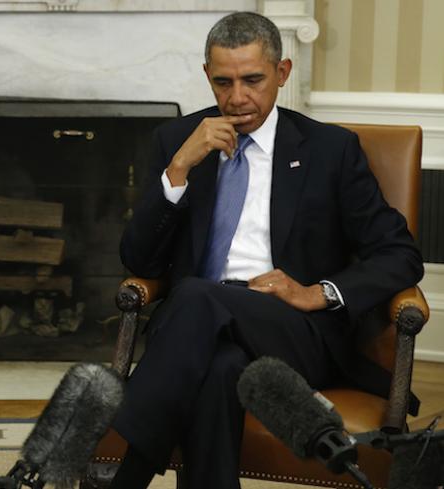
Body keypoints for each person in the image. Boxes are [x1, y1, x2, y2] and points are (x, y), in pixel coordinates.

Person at [110, 11, 423, 489]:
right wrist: (177, 172)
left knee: (194, 295)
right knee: (220, 366)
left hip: (295, 332)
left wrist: (317, 292)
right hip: (200, 336)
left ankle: (127, 472)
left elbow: (400, 254)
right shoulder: (179, 141)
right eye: (223, 82)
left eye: (253, 79)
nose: (237, 98)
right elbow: (140, 261)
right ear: (207, 78)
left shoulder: (330, 150)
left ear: (282, 73)